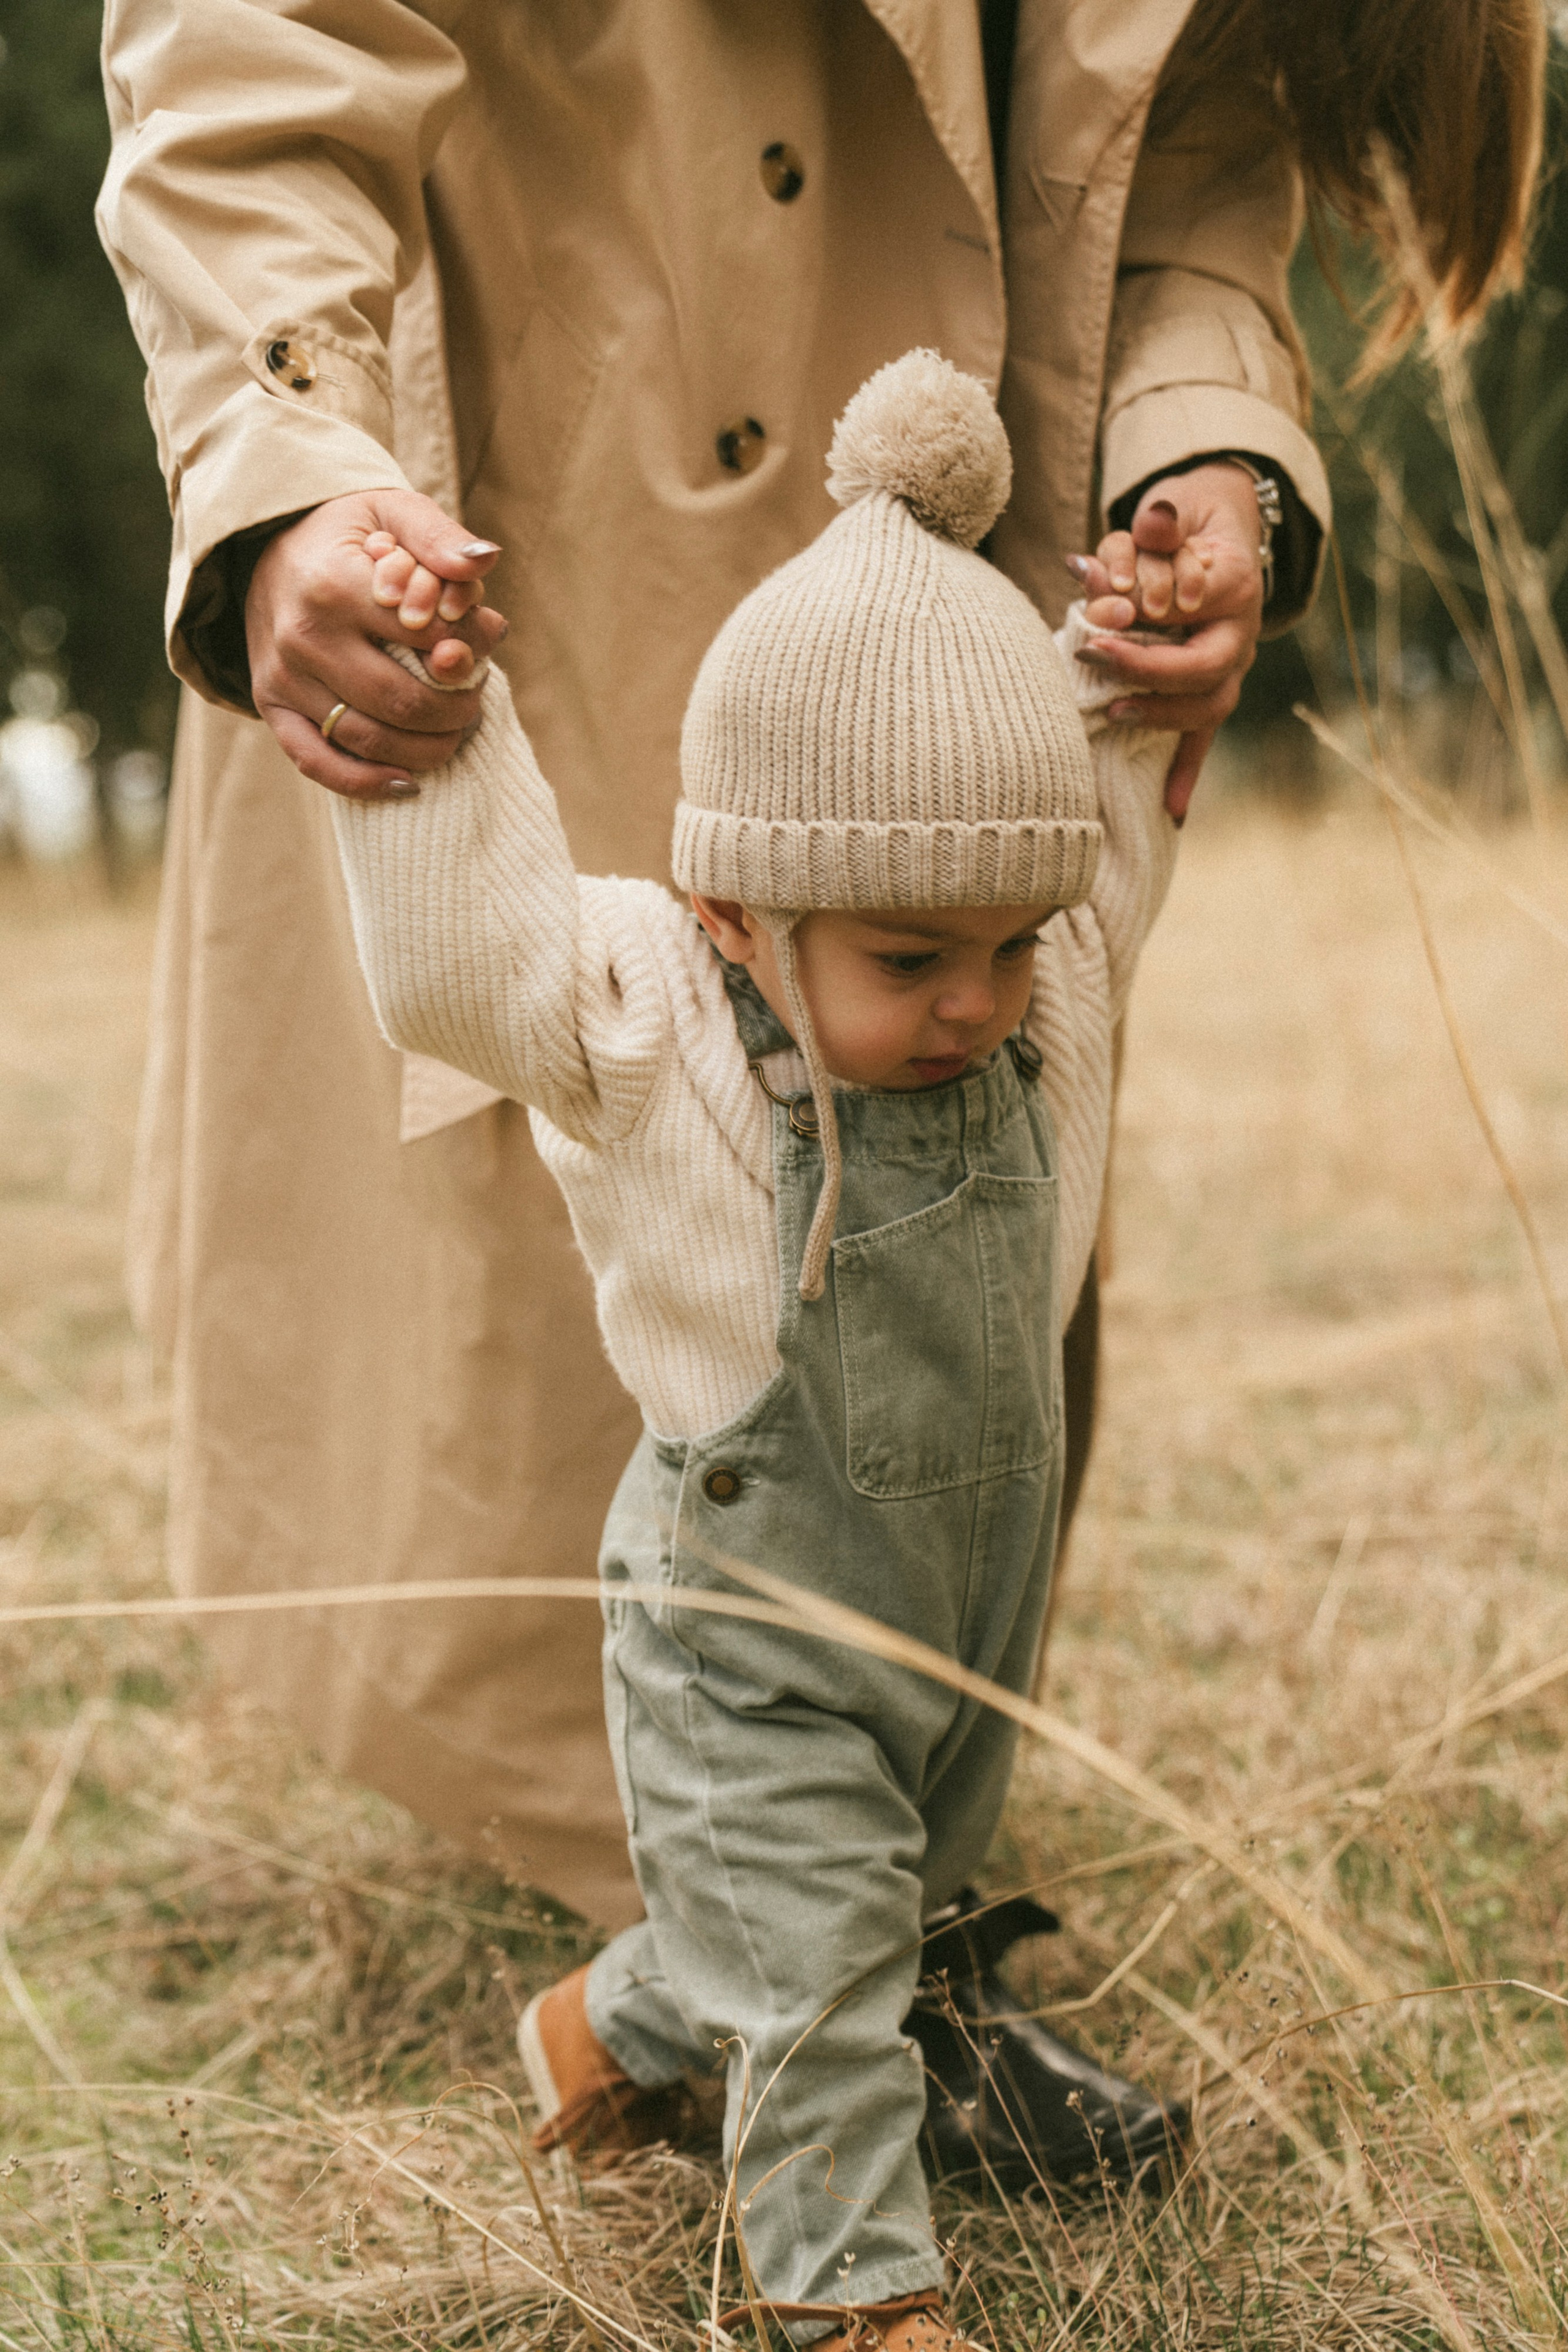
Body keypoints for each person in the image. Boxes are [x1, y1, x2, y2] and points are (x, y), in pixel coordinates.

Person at [97, 0, 1542, 2044]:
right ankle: (775, 1998)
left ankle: (776, 1930)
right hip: (552, 498)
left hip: (968, 620)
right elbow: (252, 56)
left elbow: (1188, 150)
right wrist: (282, 459)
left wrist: (1206, 448)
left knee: (937, 1284)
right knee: (619, 1248)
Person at [330, 351, 1183, 2351]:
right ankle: (855, 2295)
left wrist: (1132, 672)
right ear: (737, 910)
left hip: (956, 1636)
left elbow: (1106, 842)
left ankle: (600, 2026)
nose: (978, 1002)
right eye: (907, 963)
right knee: (815, 1965)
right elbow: (474, 960)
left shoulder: (1040, 975)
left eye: (1007, 944)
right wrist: (445, 730)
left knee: (862, 1917)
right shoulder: (654, 1021)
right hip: (746, 1653)